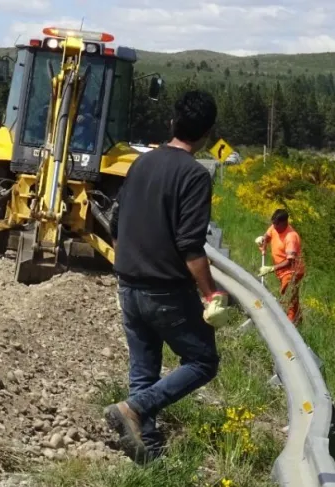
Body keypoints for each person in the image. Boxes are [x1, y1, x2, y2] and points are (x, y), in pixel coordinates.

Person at [105, 90, 229, 464]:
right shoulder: (194, 175)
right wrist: (209, 293)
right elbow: (191, 246)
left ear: (173, 122)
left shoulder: (140, 165)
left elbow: (115, 224)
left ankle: (148, 456)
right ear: (207, 133)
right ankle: (133, 411)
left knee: (143, 371)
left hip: (129, 284)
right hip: (166, 290)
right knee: (203, 361)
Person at [256, 208, 305, 323]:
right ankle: (299, 319)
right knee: (292, 297)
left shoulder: (291, 237)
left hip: (292, 271)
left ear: (284, 222)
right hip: (282, 271)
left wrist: (271, 268)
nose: (274, 226)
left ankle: (290, 323)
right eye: (273, 223)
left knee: (287, 295)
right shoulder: (274, 227)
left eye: (277, 224)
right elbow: (268, 235)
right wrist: (263, 241)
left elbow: (289, 261)